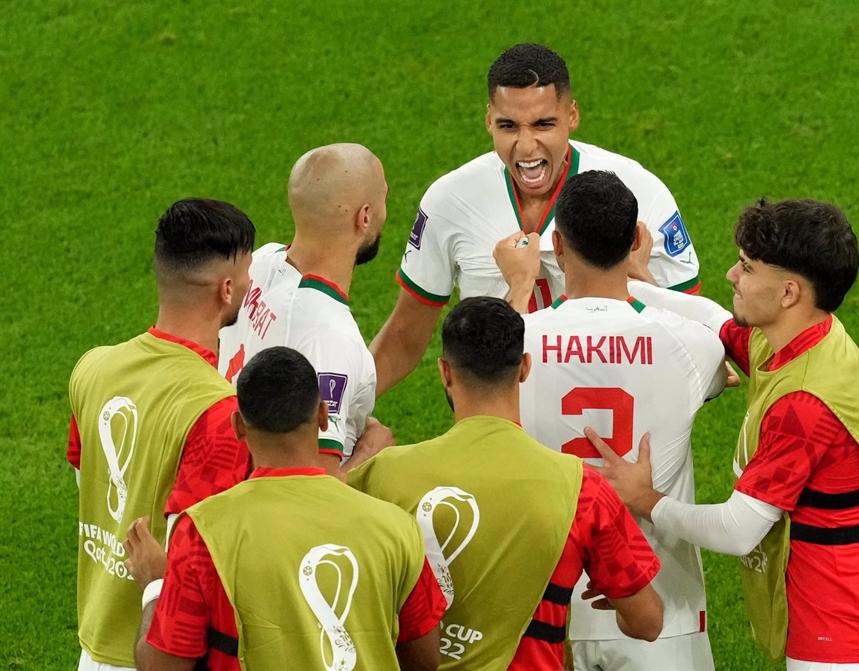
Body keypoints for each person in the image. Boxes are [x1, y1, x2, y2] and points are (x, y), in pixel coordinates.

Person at [591, 199, 859, 669]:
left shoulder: (804, 405)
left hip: (847, 643)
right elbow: (716, 323)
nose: (731, 274)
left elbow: (737, 529)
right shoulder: (809, 337)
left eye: (747, 268)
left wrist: (643, 499)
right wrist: (624, 287)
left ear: (789, 292)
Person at [349, 296, 664, 671]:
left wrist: (357, 461)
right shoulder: (582, 489)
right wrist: (620, 603)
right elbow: (647, 621)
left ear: (445, 372)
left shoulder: (383, 474)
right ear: (525, 368)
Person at [371, 43, 702, 395]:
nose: (526, 147)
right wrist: (337, 416)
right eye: (508, 126)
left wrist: (638, 277)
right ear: (488, 121)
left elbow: (695, 337)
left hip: (618, 431)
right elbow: (405, 337)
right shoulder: (449, 201)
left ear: (572, 115)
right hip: (507, 431)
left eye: (543, 124)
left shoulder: (639, 193)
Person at [503, 171, 726, 670]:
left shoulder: (521, 342)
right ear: (633, 242)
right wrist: (644, 280)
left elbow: (475, 387)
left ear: (557, 246)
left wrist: (519, 285)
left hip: (545, 607)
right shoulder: (692, 345)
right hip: (660, 604)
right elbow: (716, 368)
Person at [126, 346, 445, 671]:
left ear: (238, 426)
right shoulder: (396, 528)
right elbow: (424, 659)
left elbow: (162, 666)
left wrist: (155, 584)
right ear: (323, 416)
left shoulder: (202, 532)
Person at [67, 198, 256, 670]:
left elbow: (86, 477)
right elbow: (194, 562)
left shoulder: (93, 367)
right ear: (227, 288)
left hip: (95, 646)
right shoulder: (217, 410)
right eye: (249, 272)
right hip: (157, 651)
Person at [218, 143, 393, 469]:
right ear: (364, 217)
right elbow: (311, 489)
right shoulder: (329, 336)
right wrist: (371, 455)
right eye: (384, 198)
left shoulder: (256, 265)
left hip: (229, 478)